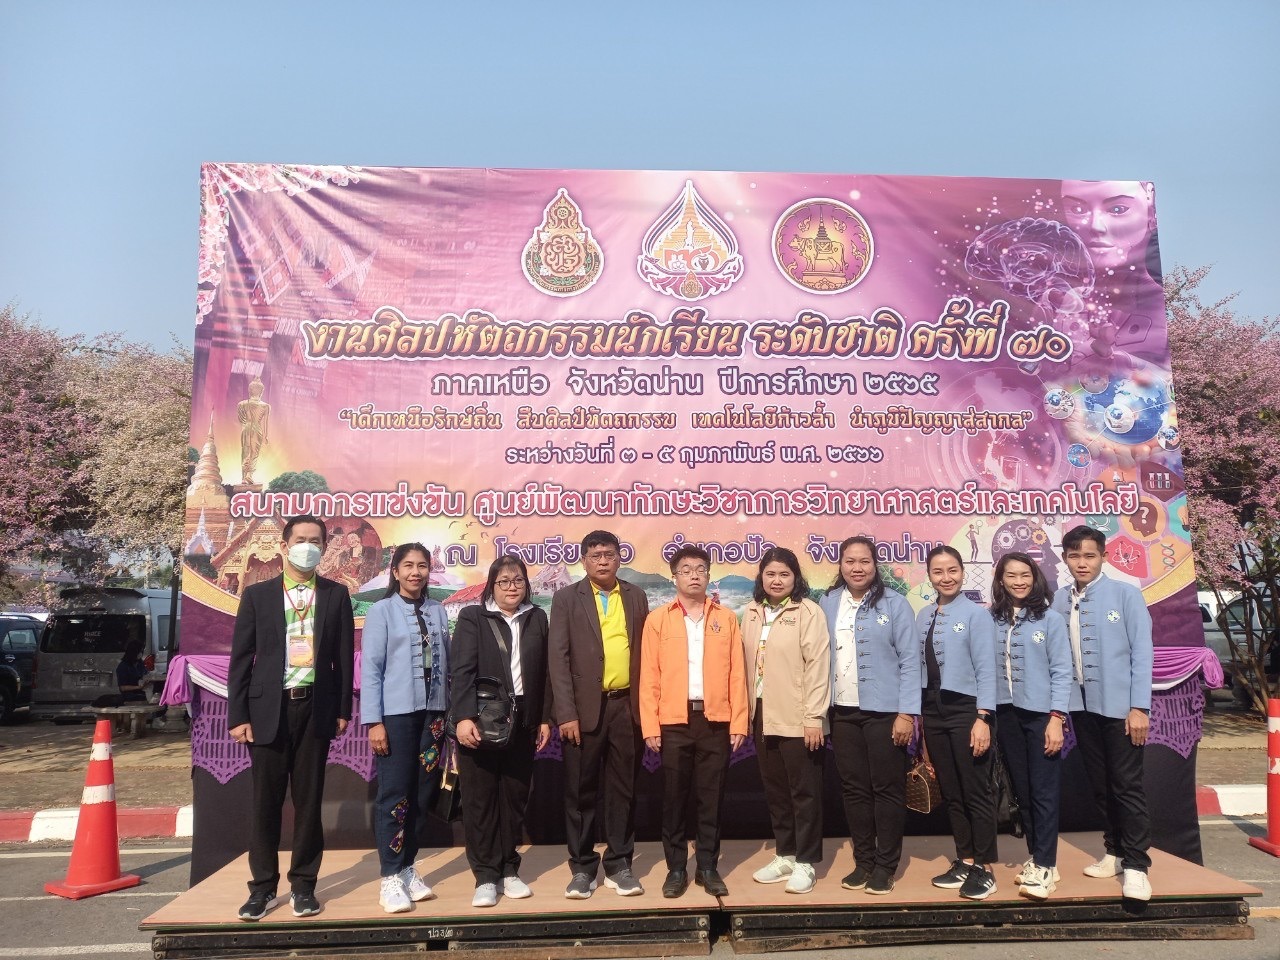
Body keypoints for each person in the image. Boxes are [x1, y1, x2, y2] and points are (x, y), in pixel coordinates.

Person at [227, 514, 355, 922]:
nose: (308, 547)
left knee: (309, 802)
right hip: (268, 710)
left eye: (315, 541)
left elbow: (343, 658)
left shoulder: (336, 594)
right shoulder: (258, 595)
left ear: (324, 548)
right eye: (301, 539)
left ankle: (303, 886)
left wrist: (342, 709)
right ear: (285, 546)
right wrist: (238, 715)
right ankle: (263, 889)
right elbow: (241, 659)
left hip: (315, 709)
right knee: (265, 803)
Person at [1051, 524, 1154, 902]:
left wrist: (1139, 707)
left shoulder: (1126, 595)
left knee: (1127, 786)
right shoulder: (1059, 599)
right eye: (1074, 556)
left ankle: (1137, 865)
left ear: (1104, 557)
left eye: (1089, 555)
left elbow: (1142, 652)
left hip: (1121, 709)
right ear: (1065, 559)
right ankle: (1115, 851)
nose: (1082, 562)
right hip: (1081, 708)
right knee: (1100, 784)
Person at [639, 545, 748, 899]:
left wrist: (739, 722)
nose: (694, 575)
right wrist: (650, 726)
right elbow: (649, 677)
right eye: (686, 570)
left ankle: (707, 867)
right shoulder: (658, 620)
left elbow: (737, 675)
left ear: (709, 575)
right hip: (673, 721)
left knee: (711, 797)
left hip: (715, 721)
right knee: (673, 798)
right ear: (675, 577)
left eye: (700, 569)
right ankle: (675, 868)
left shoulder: (726, 619)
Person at [547, 531, 650, 900]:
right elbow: (557, 659)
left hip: (627, 707)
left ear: (620, 558)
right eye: (595, 555)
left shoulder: (636, 595)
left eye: (609, 554)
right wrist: (566, 713)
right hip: (583, 710)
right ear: (584, 561)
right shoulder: (566, 598)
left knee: (623, 789)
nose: (603, 561)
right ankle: (582, 867)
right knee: (580, 791)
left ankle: (620, 864)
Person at [818, 536, 919, 896]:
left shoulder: (895, 603)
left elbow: (911, 661)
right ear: (840, 565)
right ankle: (863, 862)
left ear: (875, 565)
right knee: (854, 789)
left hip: (885, 713)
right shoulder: (828, 602)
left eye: (864, 561)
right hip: (842, 712)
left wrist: (906, 713)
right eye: (850, 561)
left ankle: (885, 866)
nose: (857, 568)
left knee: (887, 789)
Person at [450, 556, 551, 908]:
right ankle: (485, 876)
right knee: (480, 800)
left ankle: (509, 869)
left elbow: (545, 672)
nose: (512, 587)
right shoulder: (473, 617)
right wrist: (463, 717)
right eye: (504, 581)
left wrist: (544, 717)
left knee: (514, 797)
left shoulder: (537, 617)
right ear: (491, 585)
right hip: (482, 718)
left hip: (523, 719)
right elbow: (462, 670)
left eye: (518, 580)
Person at [361, 543, 450, 914]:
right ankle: (390, 876)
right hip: (395, 716)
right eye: (408, 565)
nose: (416, 572)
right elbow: (371, 669)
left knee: (422, 793)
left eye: (422, 565)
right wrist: (374, 721)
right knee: (395, 795)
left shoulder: (438, 610)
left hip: (434, 715)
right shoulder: (381, 611)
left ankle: (408, 867)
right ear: (395, 571)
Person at [742, 548, 830, 895]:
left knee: (804, 792)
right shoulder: (752, 612)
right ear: (761, 577)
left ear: (796, 578)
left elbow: (818, 666)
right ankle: (786, 855)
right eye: (770, 574)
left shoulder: (808, 611)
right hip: (762, 714)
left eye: (784, 574)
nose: (776, 581)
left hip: (799, 715)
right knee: (776, 790)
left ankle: (806, 862)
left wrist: (814, 717)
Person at [918, 544, 999, 901]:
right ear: (929, 576)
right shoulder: (923, 615)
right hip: (933, 711)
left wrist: (983, 718)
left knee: (975, 790)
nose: (946, 577)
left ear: (963, 572)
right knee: (951, 791)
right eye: (938, 571)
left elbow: (987, 670)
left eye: (952, 570)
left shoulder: (977, 615)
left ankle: (985, 867)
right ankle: (965, 860)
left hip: (967, 710)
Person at [990, 552, 1072, 901]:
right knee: (1022, 791)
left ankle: (1047, 865)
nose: (1019, 581)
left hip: (1041, 716)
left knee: (1043, 792)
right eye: (1011, 575)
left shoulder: (1050, 620)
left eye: (1025, 575)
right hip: (1006, 714)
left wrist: (1056, 718)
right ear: (1001, 580)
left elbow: (1062, 671)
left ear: (1035, 577)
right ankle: (1037, 858)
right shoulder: (992, 619)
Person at [116, 638, 149, 703]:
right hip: (130, 695)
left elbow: (145, 673)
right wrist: (139, 687)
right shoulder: (123, 667)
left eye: (142, 651)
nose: (141, 653)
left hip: (142, 692)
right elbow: (122, 688)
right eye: (140, 651)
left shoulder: (140, 663)